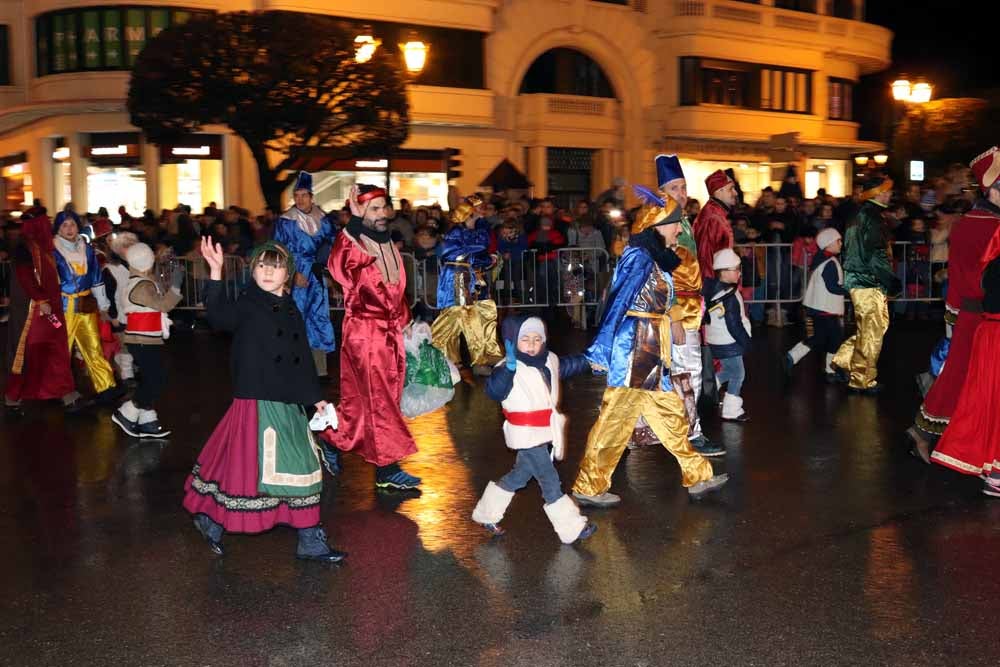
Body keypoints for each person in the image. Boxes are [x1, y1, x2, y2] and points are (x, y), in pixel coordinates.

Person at [182, 238, 345, 562]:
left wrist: (317, 400)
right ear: (252, 271)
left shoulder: (291, 308)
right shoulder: (247, 303)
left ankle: (308, 540)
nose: (268, 271)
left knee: (294, 467)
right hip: (257, 401)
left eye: (276, 265)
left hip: (289, 405)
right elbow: (218, 318)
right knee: (248, 471)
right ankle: (213, 521)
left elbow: (301, 358)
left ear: (288, 274)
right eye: (262, 264)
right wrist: (215, 272)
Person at [570, 193, 728, 507]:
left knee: (671, 413)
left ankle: (697, 475)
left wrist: (674, 316)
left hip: (652, 344)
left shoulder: (656, 258)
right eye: (674, 225)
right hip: (635, 347)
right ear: (657, 225)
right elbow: (618, 302)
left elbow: (660, 300)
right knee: (615, 420)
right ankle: (588, 486)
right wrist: (601, 350)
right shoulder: (639, 256)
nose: (679, 231)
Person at [321, 184, 421, 490]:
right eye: (373, 209)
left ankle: (332, 441)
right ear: (361, 211)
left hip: (388, 332)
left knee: (365, 401)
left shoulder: (388, 241)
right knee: (380, 399)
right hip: (365, 333)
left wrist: (405, 321)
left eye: (383, 207)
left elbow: (393, 289)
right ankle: (387, 468)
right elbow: (339, 266)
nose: (381, 214)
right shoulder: (353, 242)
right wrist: (352, 221)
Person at [908, 148, 1000, 462]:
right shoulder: (987, 225)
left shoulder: (974, 220)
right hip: (982, 315)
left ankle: (932, 431)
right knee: (965, 378)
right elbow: (981, 278)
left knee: (962, 376)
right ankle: (930, 433)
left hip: (974, 312)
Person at [471, 315, 598, 543]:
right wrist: (508, 369)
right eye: (525, 339)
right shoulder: (507, 369)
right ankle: (572, 528)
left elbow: (567, 366)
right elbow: (495, 391)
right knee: (550, 481)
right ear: (512, 341)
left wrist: (589, 361)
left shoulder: (548, 360)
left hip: (546, 431)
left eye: (537, 339)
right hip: (526, 435)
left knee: (519, 476)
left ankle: (486, 513)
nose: (532, 344)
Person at [653, 154, 724, 456]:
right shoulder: (663, 222)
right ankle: (690, 434)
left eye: (683, 186)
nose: (682, 193)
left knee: (671, 373)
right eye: (674, 188)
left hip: (691, 309)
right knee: (688, 372)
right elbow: (660, 273)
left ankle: (650, 429)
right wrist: (675, 315)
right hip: (677, 311)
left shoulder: (681, 219)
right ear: (662, 192)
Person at [929, 226, 1000, 495]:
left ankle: (993, 469)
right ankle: (996, 474)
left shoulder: (992, 264)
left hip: (990, 334)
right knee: (993, 403)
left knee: (988, 402)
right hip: (996, 336)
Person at [3, 211, 83, 414]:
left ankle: (66, 394)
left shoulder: (42, 245)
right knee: (28, 352)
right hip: (35, 312)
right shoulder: (25, 247)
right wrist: (40, 299)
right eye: (44, 221)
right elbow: (25, 276)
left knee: (56, 348)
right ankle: (13, 397)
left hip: (49, 309)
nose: (47, 225)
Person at [830, 175, 902, 394]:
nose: (890, 194)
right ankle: (862, 379)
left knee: (873, 328)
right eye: (886, 191)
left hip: (861, 279)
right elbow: (875, 256)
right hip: (867, 280)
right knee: (872, 331)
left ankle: (843, 361)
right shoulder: (872, 217)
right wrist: (891, 282)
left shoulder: (862, 215)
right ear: (877, 193)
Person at [110, 243, 184, 439]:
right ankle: (127, 412)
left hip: (144, 338)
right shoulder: (141, 285)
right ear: (148, 263)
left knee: (153, 377)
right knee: (157, 378)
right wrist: (176, 287)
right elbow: (163, 305)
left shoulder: (140, 281)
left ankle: (147, 420)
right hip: (143, 339)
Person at [53, 209, 121, 402]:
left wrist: (103, 305)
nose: (69, 228)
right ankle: (62, 392)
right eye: (64, 225)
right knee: (62, 350)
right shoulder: (52, 251)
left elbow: (97, 278)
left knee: (93, 346)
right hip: (63, 307)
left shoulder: (87, 249)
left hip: (86, 305)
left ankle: (106, 386)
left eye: (72, 224)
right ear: (58, 228)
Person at [273, 171, 336, 382]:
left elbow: (332, 246)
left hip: (316, 276)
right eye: (296, 195)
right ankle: (296, 367)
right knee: (296, 318)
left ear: (311, 196)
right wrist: (291, 274)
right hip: (296, 273)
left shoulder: (324, 220)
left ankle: (320, 369)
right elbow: (279, 250)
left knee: (318, 317)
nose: (299, 199)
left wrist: (327, 272)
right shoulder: (286, 221)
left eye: (303, 195)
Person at [432, 194, 504, 376]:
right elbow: (449, 253)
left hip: (473, 277)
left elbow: (481, 253)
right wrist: (479, 255)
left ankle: (484, 355)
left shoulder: (478, 231)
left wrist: (489, 259)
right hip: (457, 277)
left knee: (484, 312)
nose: (483, 210)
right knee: (462, 316)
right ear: (470, 212)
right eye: (479, 207)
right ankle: (439, 355)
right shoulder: (455, 232)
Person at [785, 228, 848, 382]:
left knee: (824, 338)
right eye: (838, 240)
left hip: (821, 308)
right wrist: (850, 290)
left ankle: (793, 358)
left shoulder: (823, 259)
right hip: (825, 309)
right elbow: (832, 287)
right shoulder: (829, 263)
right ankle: (828, 369)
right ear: (828, 243)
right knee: (831, 338)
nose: (841, 243)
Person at [704, 248, 751, 422]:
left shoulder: (712, 290)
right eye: (736, 269)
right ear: (724, 272)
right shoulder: (729, 295)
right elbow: (734, 324)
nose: (739, 272)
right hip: (729, 341)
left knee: (728, 370)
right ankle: (732, 409)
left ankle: (707, 391)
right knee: (738, 374)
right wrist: (745, 342)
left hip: (715, 339)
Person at [693, 170, 736, 281]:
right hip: (716, 284)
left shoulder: (716, 213)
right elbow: (704, 255)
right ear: (719, 191)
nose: (735, 193)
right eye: (731, 189)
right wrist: (711, 286)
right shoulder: (712, 217)